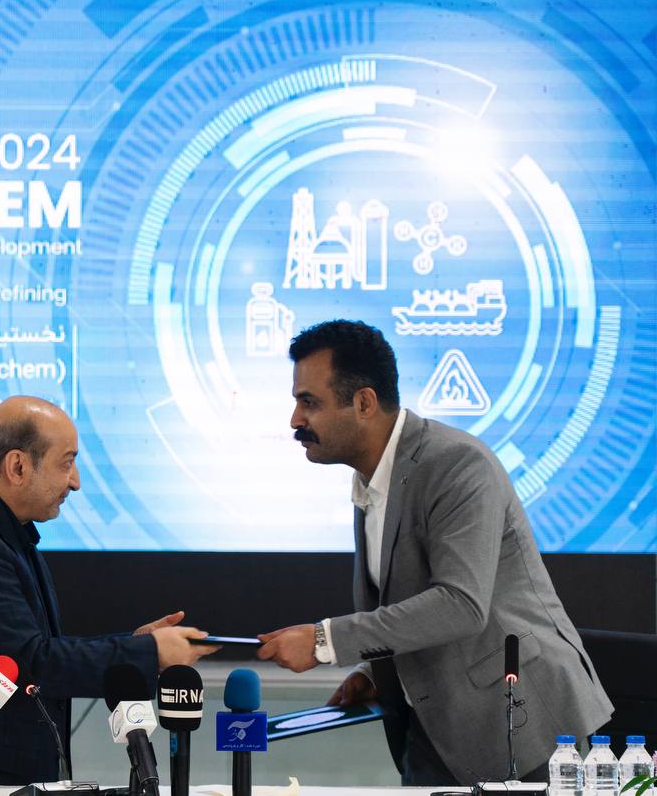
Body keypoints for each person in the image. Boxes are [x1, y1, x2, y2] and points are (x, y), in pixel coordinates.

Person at [257, 320, 612, 786]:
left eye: (309, 402)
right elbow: (409, 597)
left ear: (363, 403)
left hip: (521, 726)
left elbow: (461, 605)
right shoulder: (372, 478)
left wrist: (327, 641)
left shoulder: (457, 464)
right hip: (434, 728)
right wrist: (376, 671)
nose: (295, 420)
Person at [0, 395, 217, 786]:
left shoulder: (5, 534)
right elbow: (29, 664)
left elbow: (37, 648)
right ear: (18, 466)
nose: (76, 481)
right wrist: (149, 653)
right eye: (67, 462)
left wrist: (136, 644)